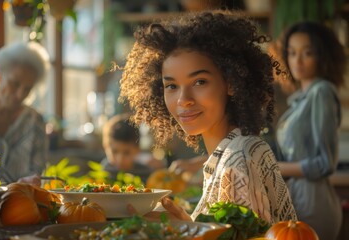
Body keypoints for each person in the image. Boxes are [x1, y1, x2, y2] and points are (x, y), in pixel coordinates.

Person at [119, 10, 297, 224]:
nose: (183, 100)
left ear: (230, 83)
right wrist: (188, 224)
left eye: (199, 82)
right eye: (172, 86)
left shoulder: (236, 161)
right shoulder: (234, 150)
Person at [276, 21, 346, 240]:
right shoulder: (301, 99)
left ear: (322, 56)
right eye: (292, 52)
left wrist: (277, 168)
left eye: (307, 53)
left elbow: (325, 163)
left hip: (315, 203)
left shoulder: (321, 92)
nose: (297, 60)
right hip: (299, 198)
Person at [0, 41, 50, 186]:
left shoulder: (35, 121)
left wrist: (29, 183)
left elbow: (37, 174)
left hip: (18, 203)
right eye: (15, 84)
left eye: (27, 89)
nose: (20, 95)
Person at [101, 113, 164, 183]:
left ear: (137, 150)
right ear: (105, 147)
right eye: (114, 151)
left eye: (126, 152)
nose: (120, 159)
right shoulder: (103, 173)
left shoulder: (145, 173)